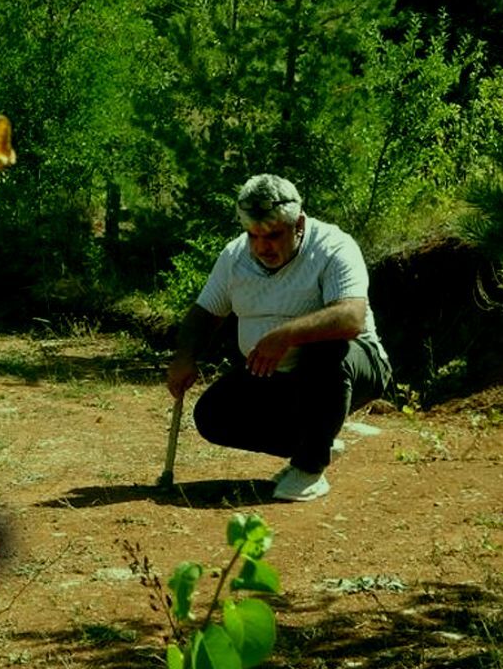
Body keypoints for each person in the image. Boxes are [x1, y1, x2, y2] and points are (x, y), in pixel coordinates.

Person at [166, 174, 392, 502]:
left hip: (355, 364)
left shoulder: (333, 247)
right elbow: (204, 313)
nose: (261, 247)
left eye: (273, 235)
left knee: (324, 350)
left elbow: (351, 317)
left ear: (298, 224)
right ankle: (317, 441)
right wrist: (184, 357)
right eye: (253, 235)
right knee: (213, 415)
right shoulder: (234, 257)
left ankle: (309, 468)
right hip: (276, 374)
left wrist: (286, 335)